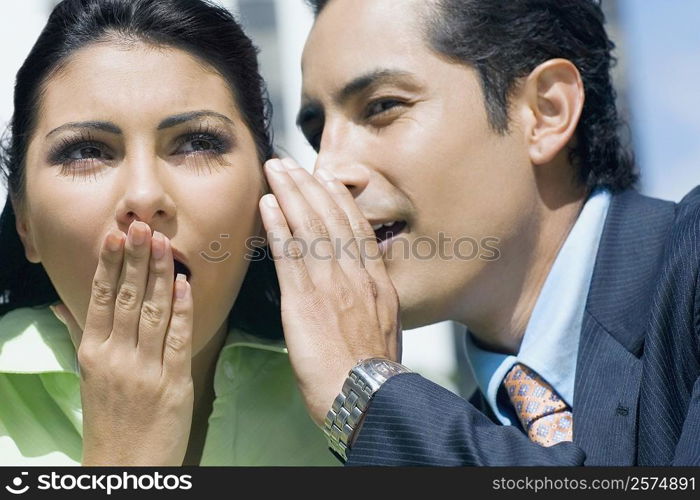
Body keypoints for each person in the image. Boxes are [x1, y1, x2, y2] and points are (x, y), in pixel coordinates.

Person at [257, 0, 700, 465]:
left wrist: (367, 395)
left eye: (382, 107)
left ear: (546, 110)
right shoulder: (451, 436)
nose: (328, 171)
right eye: (316, 136)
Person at [0, 0, 335, 466]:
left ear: (264, 200)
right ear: (25, 224)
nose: (143, 194)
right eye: (86, 151)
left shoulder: (347, 410)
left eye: (198, 143)